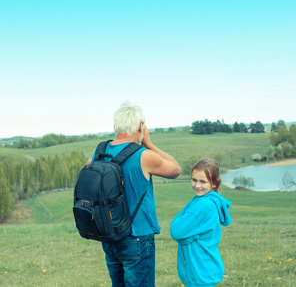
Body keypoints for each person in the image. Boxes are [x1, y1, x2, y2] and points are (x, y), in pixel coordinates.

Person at [88, 101, 181, 287]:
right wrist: (149, 143)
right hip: (137, 236)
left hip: (109, 235)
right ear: (141, 126)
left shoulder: (99, 152)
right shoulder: (144, 155)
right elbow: (175, 169)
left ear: (117, 125)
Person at [170, 159, 231, 287]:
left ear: (215, 183)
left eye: (203, 181)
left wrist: (186, 236)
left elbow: (176, 231)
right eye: (194, 180)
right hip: (204, 267)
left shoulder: (204, 205)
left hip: (199, 270)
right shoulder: (204, 200)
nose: (197, 186)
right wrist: (189, 236)